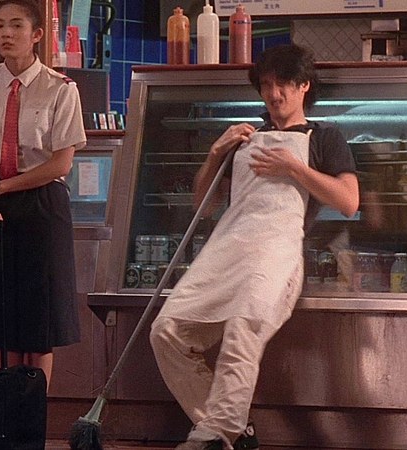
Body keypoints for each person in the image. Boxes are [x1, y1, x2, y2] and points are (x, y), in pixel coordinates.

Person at [149, 44, 359, 450]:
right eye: (266, 85)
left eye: (283, 85)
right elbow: (204, 205)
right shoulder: (244, 137)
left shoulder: (325, 137)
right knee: (166, 331)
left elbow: (349, 201)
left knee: (242, 328)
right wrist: (215, 153)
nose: (274, 94)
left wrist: (294, 168)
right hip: (227, 247)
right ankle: (230, 430)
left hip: (275, 251)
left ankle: (215, 434)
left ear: (304, 86)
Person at [0, 0, 86, 388]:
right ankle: (5, 409)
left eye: (16, 26)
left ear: (36, 35)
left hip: (43, 203)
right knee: (2, 321)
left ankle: (33, 411)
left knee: (38, 322)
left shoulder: (61, 89)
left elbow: (60, 164)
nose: (6, 34)